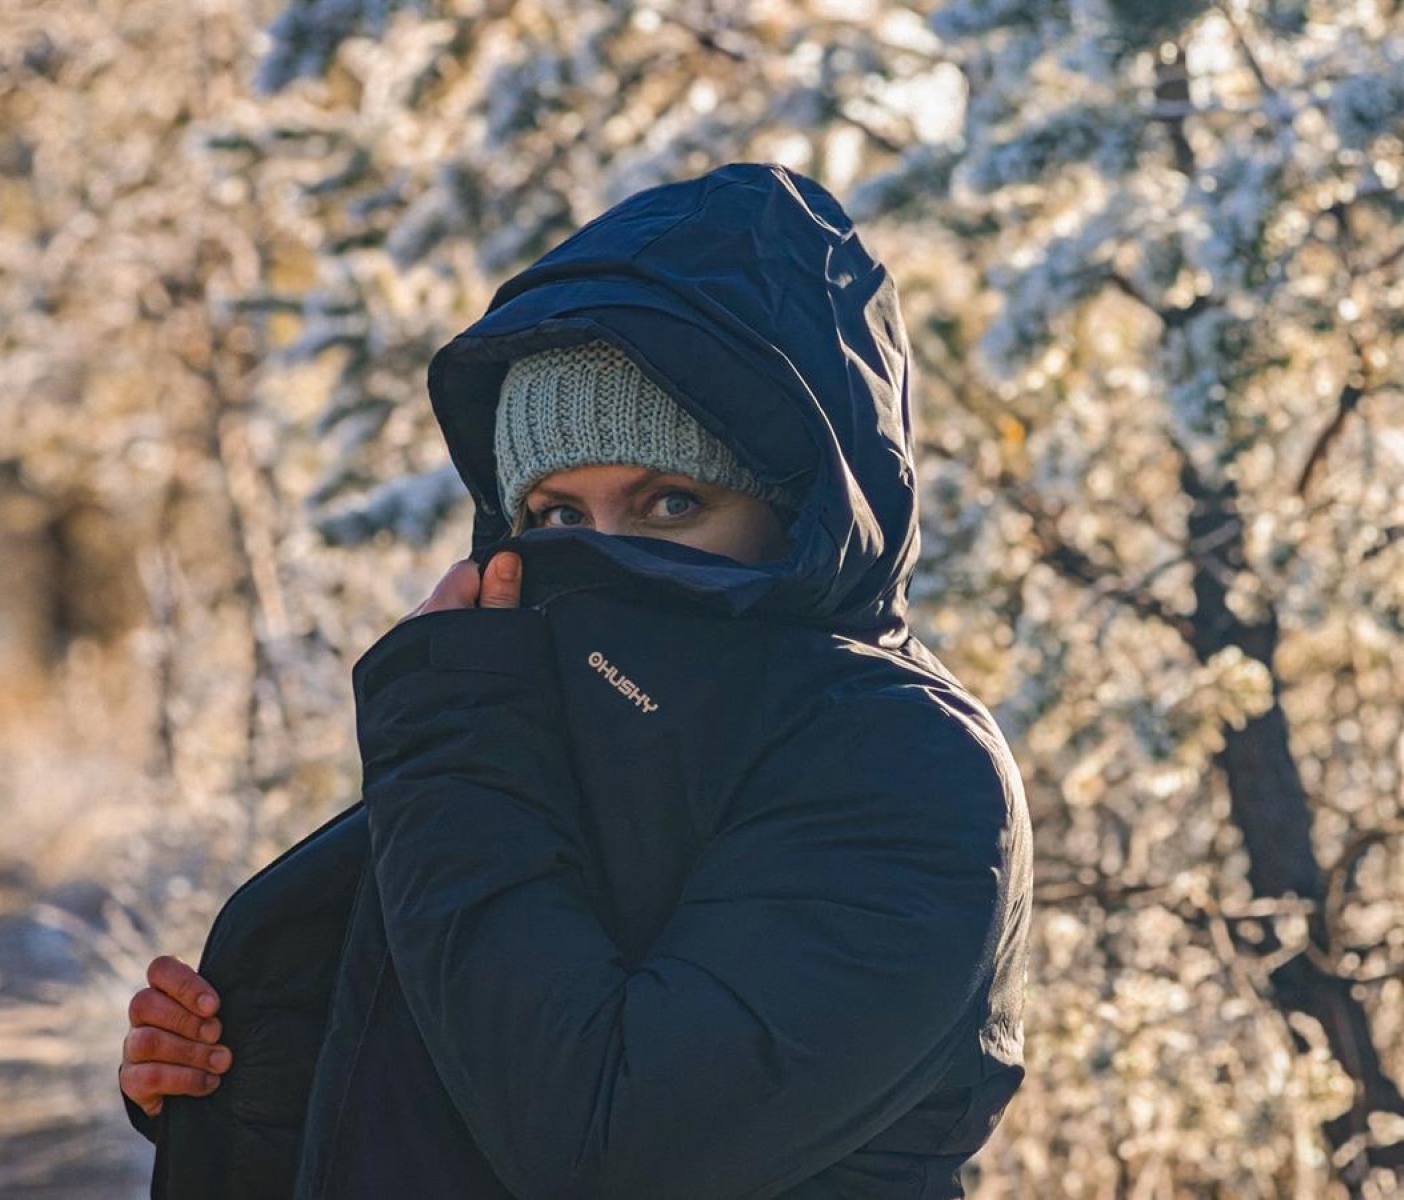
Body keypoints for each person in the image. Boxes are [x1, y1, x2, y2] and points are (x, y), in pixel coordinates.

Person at [119, 161, 1033, 1198]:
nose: (598, 556)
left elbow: (607, 1147)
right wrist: (236, 1075)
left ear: (801, 516)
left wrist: (447, 745)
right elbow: (458, 1061)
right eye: (556, 514)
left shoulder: (901, 766)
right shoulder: (540, 711)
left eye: (670, 504)